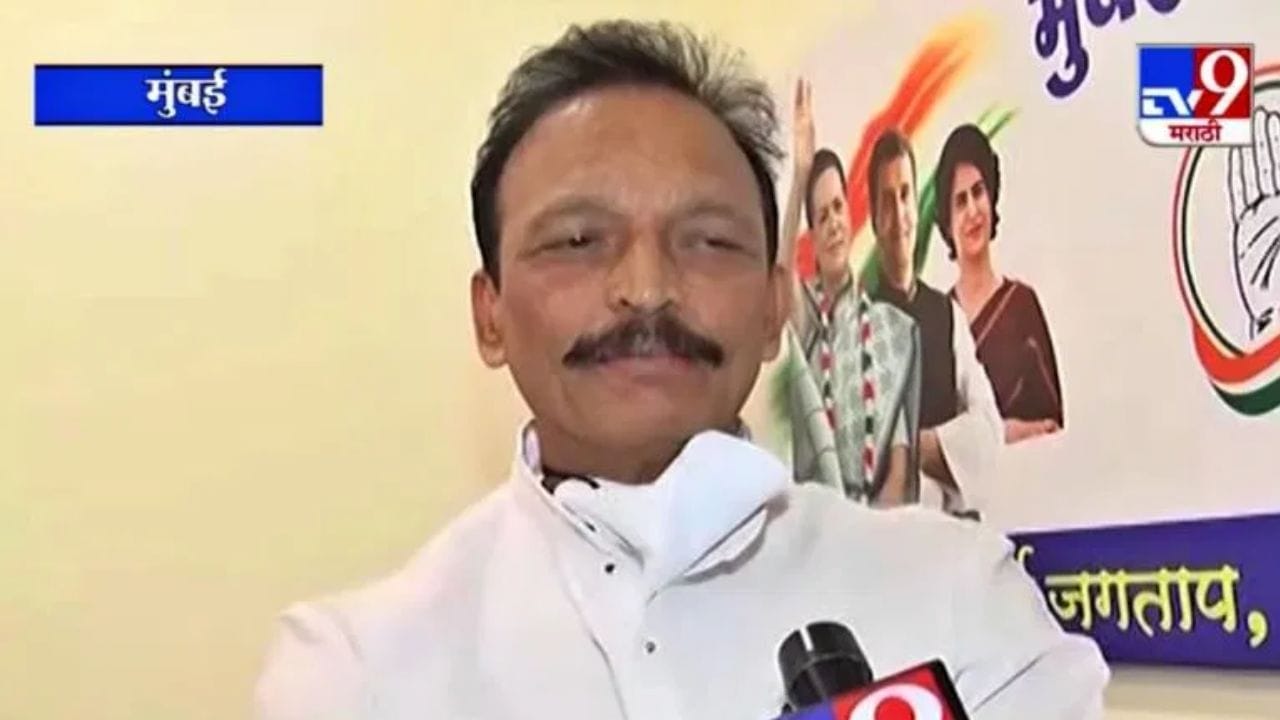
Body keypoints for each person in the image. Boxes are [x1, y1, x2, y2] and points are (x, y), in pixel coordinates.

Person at [253, 21, 1108, 719]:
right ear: (491, 314)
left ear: (774, 309)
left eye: (708, 240)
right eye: (578, 240)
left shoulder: (959, 595)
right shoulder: (355, 670)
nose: (647, 288)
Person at [780, 79, 921, 508]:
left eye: (838, 208)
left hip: (875, 524)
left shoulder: (887, 331)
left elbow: (899, 463)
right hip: (818, 520)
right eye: (821, 217)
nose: (834, 224)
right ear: (812, 235)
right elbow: (780, 272)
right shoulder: (806, 316)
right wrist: (800, 174)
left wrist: (871, 529)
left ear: (851, 212)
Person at [864, 128, 1003, 516]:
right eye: (886, 201)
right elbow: (860, 458)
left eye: (905, 195)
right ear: (874, 218)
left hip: (952, 530)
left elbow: (988, 426)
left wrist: (913, 448)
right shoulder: (858, 326)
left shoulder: (948, 316)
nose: (899, 215)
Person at [935, 124, 1064, 444]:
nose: (972, 210)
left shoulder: (1022, 306)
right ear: (947, 224)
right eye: (960, 201)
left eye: (978, 192)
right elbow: (937, 440)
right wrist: (1001, 433)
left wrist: (1008, 437)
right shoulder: (939, 322)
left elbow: (1053, 427)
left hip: (1031, 473)